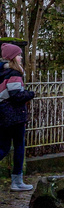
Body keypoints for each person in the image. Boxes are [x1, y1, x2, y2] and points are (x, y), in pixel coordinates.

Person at [0, 42, 35, 191]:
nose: (21, 57)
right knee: (19, 146)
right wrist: (30, 94)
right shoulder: (14, 73)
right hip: (14, 116)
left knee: (4, 147)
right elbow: (16, 96)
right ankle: (17, 182)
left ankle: (17, 181)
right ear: (13, 58)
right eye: (19, 55)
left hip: (3, 115)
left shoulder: (3, 73)